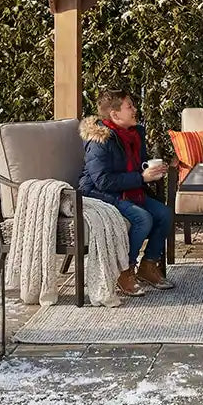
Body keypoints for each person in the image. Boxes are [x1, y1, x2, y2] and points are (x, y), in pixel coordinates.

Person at [78, 88, 175, 296]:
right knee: (143, 218)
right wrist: (142, 178)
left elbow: (135, 165)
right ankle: (124, 270)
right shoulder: (99, 139)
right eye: (129, 106)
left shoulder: (134, 133)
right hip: (99, 194)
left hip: (130, 189)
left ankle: (148, 266)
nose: (134, 109)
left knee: (165, 214)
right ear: (114, 114)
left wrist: (152, 170)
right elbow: (102, 180)